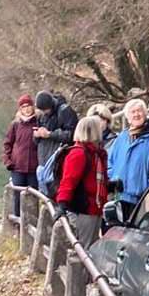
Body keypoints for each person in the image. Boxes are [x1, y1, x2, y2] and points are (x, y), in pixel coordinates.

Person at [53, 116, 109, 286]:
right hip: (84, 210)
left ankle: (85, 287)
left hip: (94, 209)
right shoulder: (79, 154)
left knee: (89, 250)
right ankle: (80, 290)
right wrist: (62, 205)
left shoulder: (96, 154)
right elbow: (68, 181)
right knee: (84, 251)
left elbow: (93, 180)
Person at [106, 98, 149, 217]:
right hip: (118, 195)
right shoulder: (121, 138)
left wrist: (147, 185)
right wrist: (113, 177)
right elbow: (110, 161)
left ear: (145, 114)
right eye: (133, 112)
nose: (136, 114)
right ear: (128, 117)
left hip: (140, 197)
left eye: (139, 111)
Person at [33, 91, 77, 196]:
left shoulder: (65, 111)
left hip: (58, 161)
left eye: (45, 110)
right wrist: (36, 135)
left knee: (57, 192)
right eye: (41, 110)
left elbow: (72, 135)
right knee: (45, 195)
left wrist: (50, 134)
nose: (44, 112)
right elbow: (35, 141)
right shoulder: (41, 115)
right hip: (43, 161)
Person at [2, 94, 39, 215]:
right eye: (23, 107)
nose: (27, 109)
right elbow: (7, 144)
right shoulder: (15, 125)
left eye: (29, 106)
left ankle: (33, 223)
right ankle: (18, 223)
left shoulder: (38, 122)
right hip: (17, 167)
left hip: (34, 167)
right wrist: (8, 161)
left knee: (33, 196)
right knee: (17, 196)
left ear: (33, 107)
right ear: (20, 109)